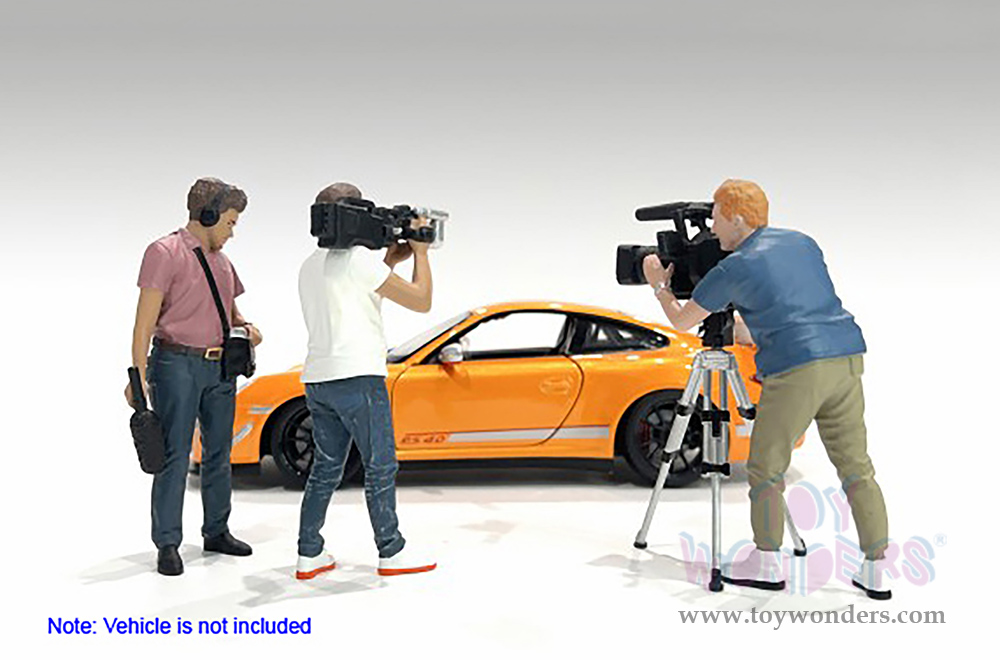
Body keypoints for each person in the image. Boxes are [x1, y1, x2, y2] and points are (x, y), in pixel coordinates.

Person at [642, 179, 891, 600]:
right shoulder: (802, 243)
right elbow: (787, 306)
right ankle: (876, 567)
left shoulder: (733, 268)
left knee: (765, 468)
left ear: (737, 218)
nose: (712, 229)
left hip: (798, 370)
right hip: (846, 357)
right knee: (856, 467)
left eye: (716, 218)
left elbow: (682, 321)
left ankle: (767, 560)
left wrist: (659, 285)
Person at [294, 182, 437, 580]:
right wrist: (421, 254)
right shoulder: (360, 262)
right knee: (380, 465)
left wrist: (390, 259)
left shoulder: (309, 264)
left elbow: (359, 290)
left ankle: (309, 552)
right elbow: (421, 300)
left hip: (319, 379)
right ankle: (391, 550)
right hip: (358, 377)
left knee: (326, 468)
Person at [126, 177, 262, 576]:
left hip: (221, 368)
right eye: (230, 222)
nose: (232, 232)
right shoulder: (163, 252)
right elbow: (143, 325)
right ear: (208, 214)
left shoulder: (223, 263)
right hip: (176, 365)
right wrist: (137, 378)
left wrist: (248, 329)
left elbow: (233, 315)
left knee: (219, 453)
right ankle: (167, 542)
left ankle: (216, 530)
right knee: (173, 455)